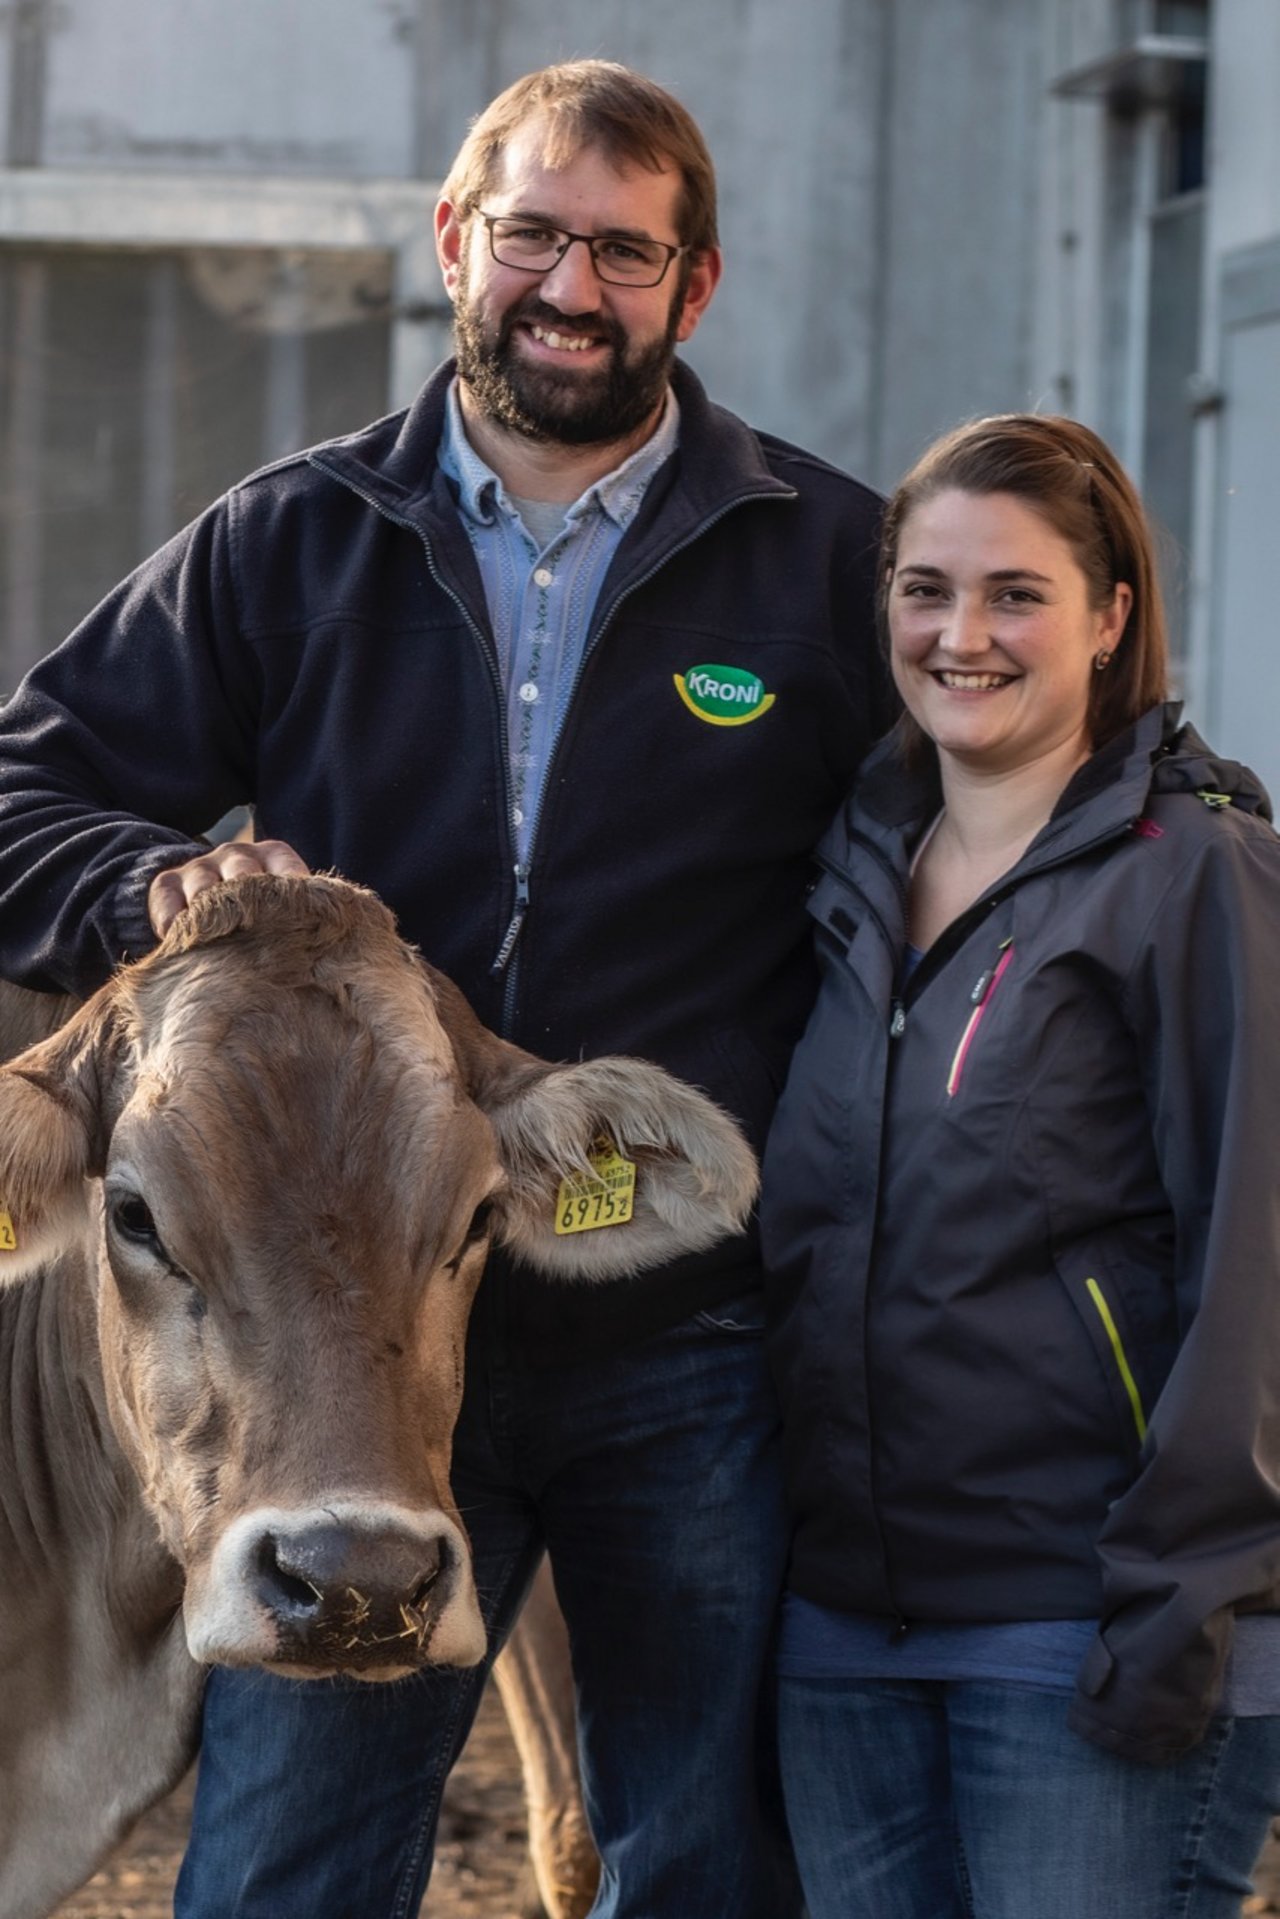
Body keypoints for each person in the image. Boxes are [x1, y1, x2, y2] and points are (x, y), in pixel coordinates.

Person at [0, 59, 892, 1919]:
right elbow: (27, 779)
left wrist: (1177, 808)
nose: (573, 288)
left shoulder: (827, 563)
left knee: (708, 1860)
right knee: (287, 1876)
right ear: (454, 245)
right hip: (348, 1360)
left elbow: (994, 792)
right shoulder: (291, 538)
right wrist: (145, 882)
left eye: (626, 254)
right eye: (535, 236)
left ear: (696, 286)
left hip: (681, 1325)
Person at [760, 412, 1280, 1918]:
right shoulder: (853, 871)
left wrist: (1180, 1607)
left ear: (1110, 618)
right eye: (926, 590)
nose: (960, 635)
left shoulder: (1196, 874)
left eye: (1014, 594)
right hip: (845, 1633)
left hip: (1087, 1632)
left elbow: (1257, 1265)